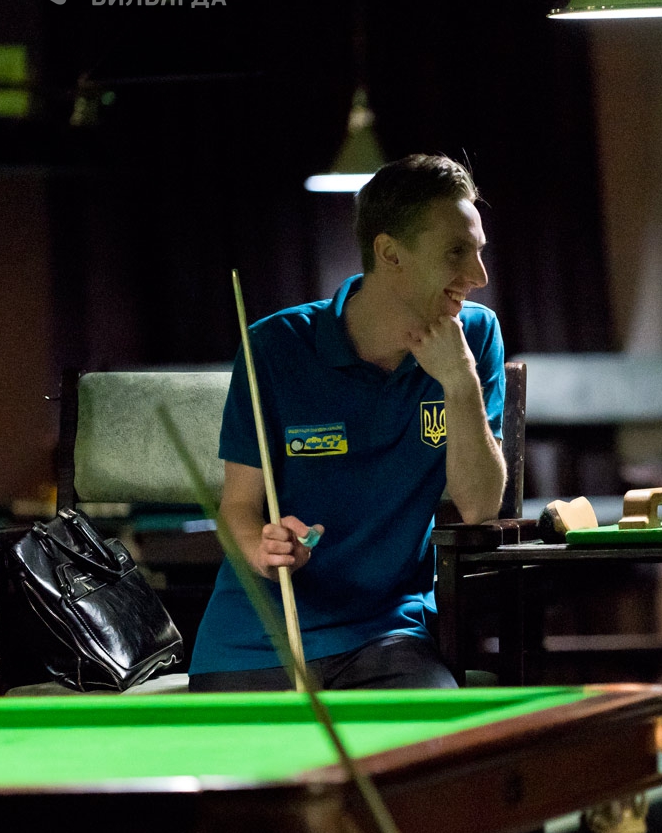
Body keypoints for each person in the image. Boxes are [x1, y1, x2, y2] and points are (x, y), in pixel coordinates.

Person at [188, 154, 507, 692]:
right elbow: (238, 508)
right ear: (390, 253)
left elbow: (479, 507)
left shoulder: (474, 338)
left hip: (390, 636)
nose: (479, 276)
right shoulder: (275, 346)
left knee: (442, 740)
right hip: (258, 638)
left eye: (478, 252)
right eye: (457, 252)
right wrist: (262, 549)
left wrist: (459, 381)